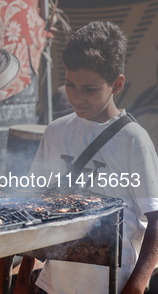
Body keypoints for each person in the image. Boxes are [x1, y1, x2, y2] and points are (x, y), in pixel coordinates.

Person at [14, 21, 158, 294]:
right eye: (70, 84)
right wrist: (23, 277)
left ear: (117, 84)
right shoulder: (56, 132)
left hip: (111, 286)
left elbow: (156, 221)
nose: (77, 98)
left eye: (90, 89)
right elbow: (34, 205)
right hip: (53, 284)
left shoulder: (134, 141)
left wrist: (136, 287)